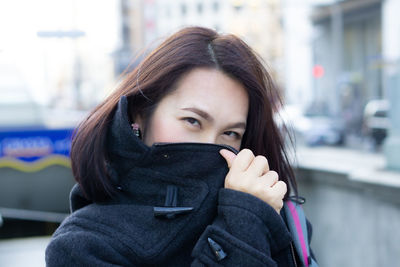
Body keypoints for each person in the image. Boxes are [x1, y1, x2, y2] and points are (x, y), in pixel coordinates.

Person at [46, 26, 316, 266]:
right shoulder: (84, 244)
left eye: (230, 133)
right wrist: (242, 230)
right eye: (193, 121)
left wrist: (252, 215)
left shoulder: (269, 210)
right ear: (140, 115)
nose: (211, 145)